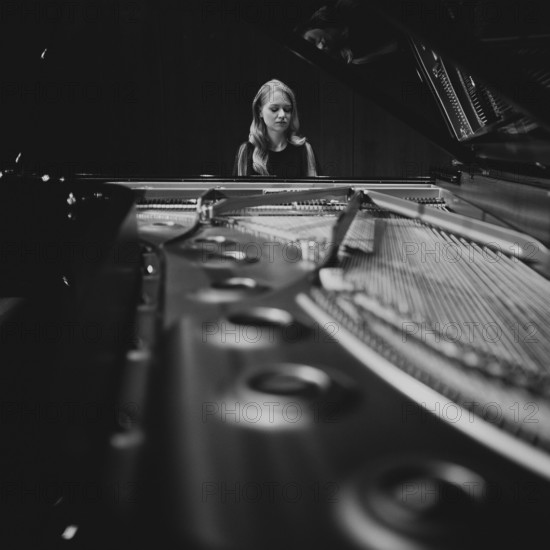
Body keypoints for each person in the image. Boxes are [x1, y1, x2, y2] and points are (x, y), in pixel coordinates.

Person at [233, 79, 321, 178]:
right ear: (260, 111)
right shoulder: (246, 151)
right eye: (274, 109)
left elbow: (319, 192)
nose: (282, 115)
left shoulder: (304, 150)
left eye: (287, 109)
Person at [297, 0, 399, 65]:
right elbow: (394, 44)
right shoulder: (357, 55)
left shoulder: (342, 8)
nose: (320, 46)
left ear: (307, 29)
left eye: (311, 40)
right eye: (318, 52)